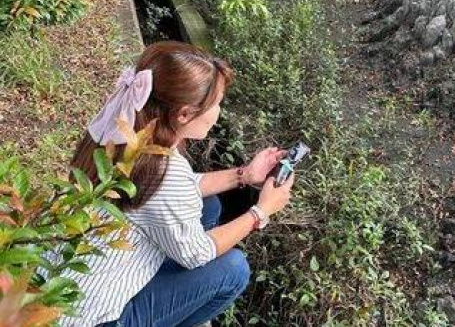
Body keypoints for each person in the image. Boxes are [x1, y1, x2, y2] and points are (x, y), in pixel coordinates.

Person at [57, 41, 294, 326]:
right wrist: (262, 211)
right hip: (97, 318)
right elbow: (198, 253)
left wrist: (244, 174)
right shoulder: (163, 170)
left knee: (208, 206)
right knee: (234, 269)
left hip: (67, 285)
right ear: (183, 114)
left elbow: (176, 189)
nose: (218, 112)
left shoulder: (122, 127)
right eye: (216, 103)